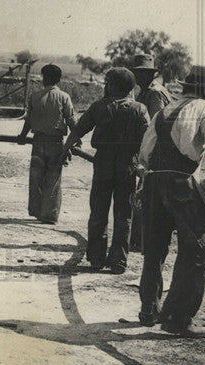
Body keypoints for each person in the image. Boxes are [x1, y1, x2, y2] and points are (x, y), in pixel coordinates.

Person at [136, 65, 205, 338]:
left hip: (154, 183)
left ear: (186, 86)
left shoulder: (164, 111)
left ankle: (148, 310)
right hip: (181, 185)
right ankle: (177, 318)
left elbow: (145, 151)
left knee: (154, 250)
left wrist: (147, 175)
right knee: (197, 253)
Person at [63, 67, 150, 273]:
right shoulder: (140, 109)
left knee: (99, 211)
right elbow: (148, 141)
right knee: (123, 213)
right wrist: (145, 167)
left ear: (111, 85)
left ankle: (96, 257)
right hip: (128, 164)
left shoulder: (98, 107)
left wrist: (65, 150)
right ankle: (119, 259)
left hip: (102, 163)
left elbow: (78, 130)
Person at [17, 63, 76, 224]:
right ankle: (49, 215)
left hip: (38, 141)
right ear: (58, 79)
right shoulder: (64, 97)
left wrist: (22, 136)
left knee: (37, 177)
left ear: (45, 78)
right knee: (53, 178)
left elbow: (29, 121)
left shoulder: (35, 96)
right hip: (55, 142)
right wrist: (75, 141)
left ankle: (36, 210)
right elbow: (71, 121)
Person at [129, 55, 173, 251]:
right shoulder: (146, 91)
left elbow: (157, 125)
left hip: (156, 150)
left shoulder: (154, 93)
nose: (138, 76)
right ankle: (141, 239)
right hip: (150, 148)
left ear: (149, 74)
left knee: (147, 193)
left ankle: (144, 241)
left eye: (142, 73)